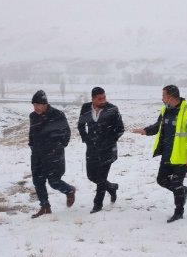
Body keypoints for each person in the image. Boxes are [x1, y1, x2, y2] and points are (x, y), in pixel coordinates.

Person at [133, 85, 187, 223]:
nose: (162, 99)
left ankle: (178, 212)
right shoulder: (165, 110)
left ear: (170, 97)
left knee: (176, 184)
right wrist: (145, 130)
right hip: (166, 154)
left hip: (181, 157)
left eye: (164, 96)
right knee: (161, 180)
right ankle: (183, 191)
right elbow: (158, 126)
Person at [28, 90, 76, 218]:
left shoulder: (57, 115)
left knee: (54, 182)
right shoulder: (33, 116)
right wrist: (32, 146)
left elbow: (66, 134)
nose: (35, 108)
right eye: (34, 105)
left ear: (45, 104)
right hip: (37, 154)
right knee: (38, 181)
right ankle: (45, 207)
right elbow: (32, 134)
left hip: (53, 155)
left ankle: (69, 190)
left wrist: (57, 148)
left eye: (38, 105)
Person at [77, 87, 125, 213]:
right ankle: (112, 187)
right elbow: (81, 125)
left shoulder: (112, 109)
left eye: (104, 97)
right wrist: (86, 139)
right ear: (93, 99)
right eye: (100, 99)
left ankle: (97, 204)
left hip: (107, 149)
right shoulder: (86, 108)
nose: (103, 100)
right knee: (91, 176)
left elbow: (120, 129)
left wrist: (109, 141)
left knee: (101, 178)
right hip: (91, 149)